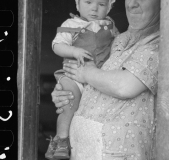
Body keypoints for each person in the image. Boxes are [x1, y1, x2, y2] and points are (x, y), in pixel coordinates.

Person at [51, 0, 160, 159]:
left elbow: (124, 86)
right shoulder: (119, 39)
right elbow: (98, 82)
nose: (132, 4)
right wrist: (66, 91)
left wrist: (85, 73)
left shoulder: (158, 44)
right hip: (85, 152)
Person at [45, 0, 118, 159]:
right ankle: (61, 139)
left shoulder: (110, 25)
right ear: (77, 5)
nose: (94, 8)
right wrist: (74, 51)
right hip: (73, 75)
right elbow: (57, 45)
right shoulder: (71, 24)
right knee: (69, 102)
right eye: (88, 2)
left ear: (109, 7)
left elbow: (118, 46)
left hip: (97, 78)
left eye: (101, 4)